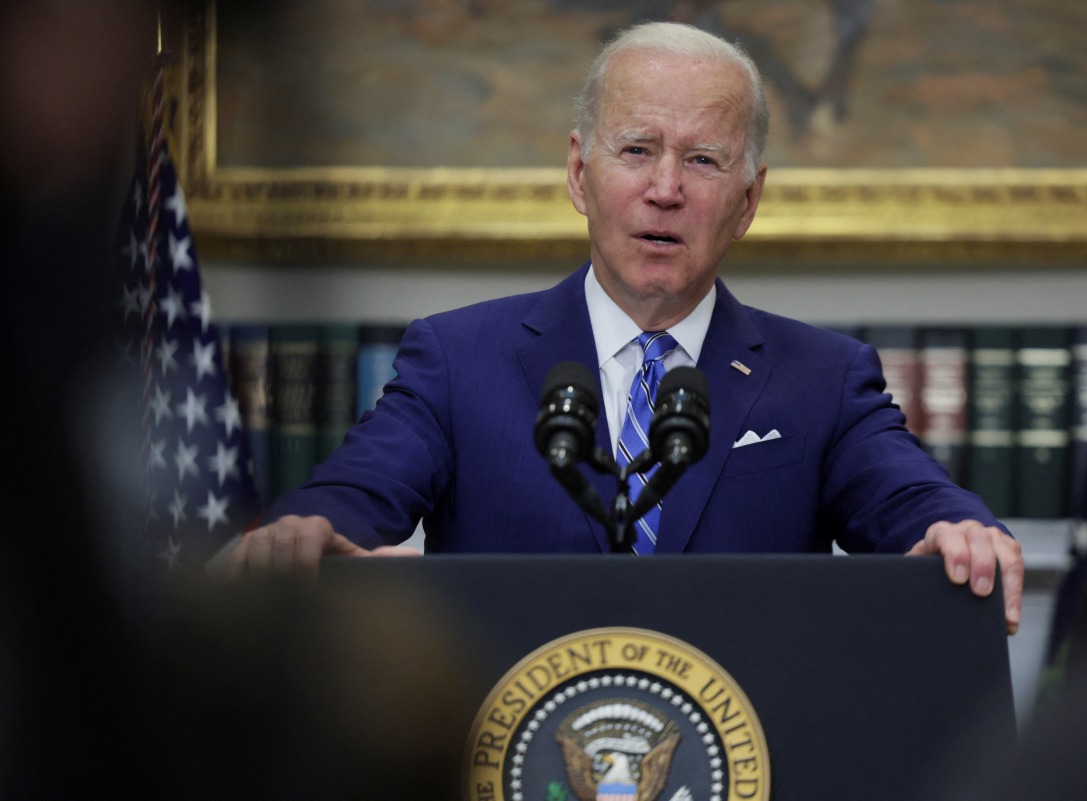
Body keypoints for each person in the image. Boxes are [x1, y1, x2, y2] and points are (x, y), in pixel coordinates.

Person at [228, 21, 1023, 634]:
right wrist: (307, 531)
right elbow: (352, 496)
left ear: (748, 201)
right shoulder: (458, 358)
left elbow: (918, 503)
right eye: (637, 149)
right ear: (580, 173)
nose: (666, 188)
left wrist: (966, 533)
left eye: (705, 161)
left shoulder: (823, 377)